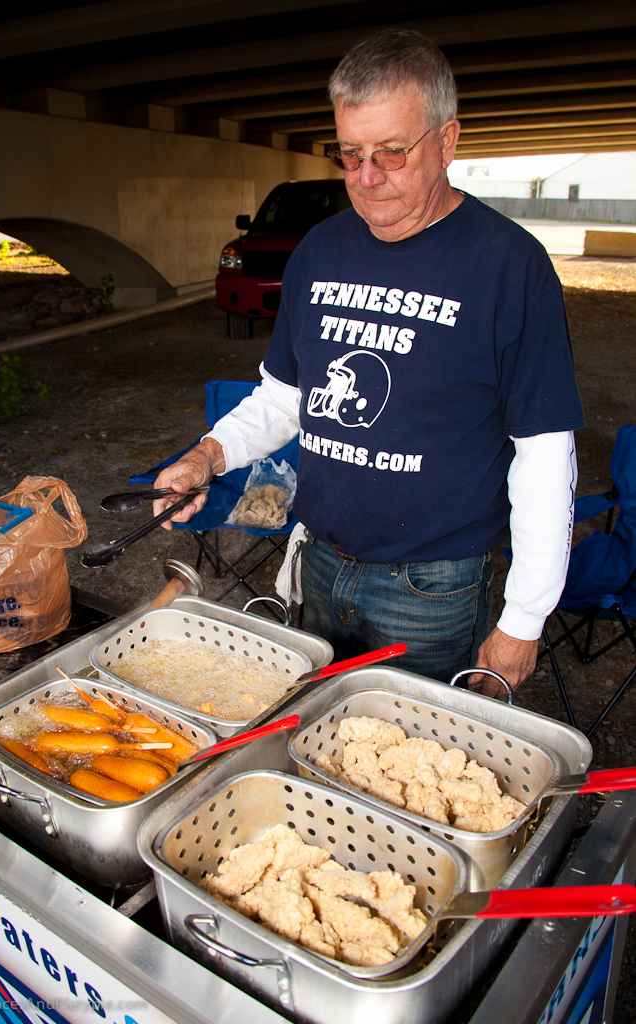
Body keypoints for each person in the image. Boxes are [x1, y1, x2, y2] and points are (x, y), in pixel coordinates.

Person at [153, 27, 585, 699]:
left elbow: (544, 453)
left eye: (391, 152)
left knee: (407, 766)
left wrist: (523, 621)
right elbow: (285, 398)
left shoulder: (508, 266)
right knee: (315, 746)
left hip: (431, 588)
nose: (367, 178)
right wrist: (207, 456)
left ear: (447, 141)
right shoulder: (320, 251)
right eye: (350, 155)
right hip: (318, 561)